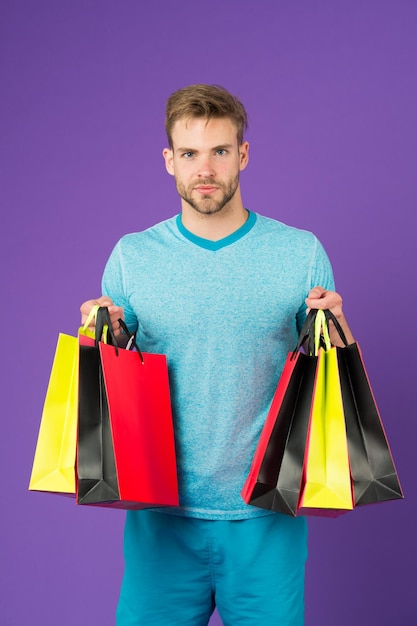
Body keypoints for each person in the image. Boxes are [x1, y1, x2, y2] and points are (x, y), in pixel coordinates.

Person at [80, 84, 355, 626]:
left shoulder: (300, 253)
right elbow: (115, 376)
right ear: (169, 161)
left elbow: (328, 375)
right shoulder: (133, 256)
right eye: (189, 153)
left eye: (220, 151)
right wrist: (98, 330)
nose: (204, 169)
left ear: (243, 155)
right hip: (160, 516)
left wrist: (339, 325)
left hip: (266, 517)